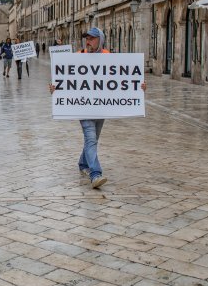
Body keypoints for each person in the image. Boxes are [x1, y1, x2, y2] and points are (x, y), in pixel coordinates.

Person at [49, 28, 146, 189]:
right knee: (91, 138)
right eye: (86, 38)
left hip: (101, 106)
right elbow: (64, 78)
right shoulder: (78, 56)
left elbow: (122, 78)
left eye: (92, 38)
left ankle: (83, 163)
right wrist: (54, 88)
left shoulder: (108, 56)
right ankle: (95, 174)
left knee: (93, 139)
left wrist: (138, 87)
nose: (88, 41)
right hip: (83, 106)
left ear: (100, 40)